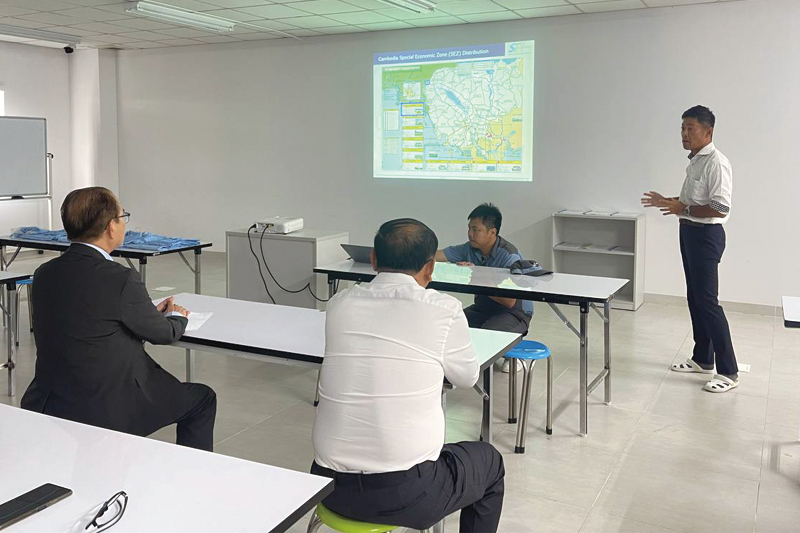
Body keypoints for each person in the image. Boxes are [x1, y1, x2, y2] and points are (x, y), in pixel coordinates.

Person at [311, 218, 505, 533]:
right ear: (430, 268)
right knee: (489, 462)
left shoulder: (339, 304)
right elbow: (468, 377)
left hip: (327, 486)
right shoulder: (444, 309)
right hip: (405, 495)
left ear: (373, 259)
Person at [21, 186, 218, 449]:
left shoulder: (45, 272)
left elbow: (88, 318)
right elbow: (163, 334)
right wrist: (176, 316)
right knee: (203, 399)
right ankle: (193, 472)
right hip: (107, 406)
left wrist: (144, 312)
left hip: (49, 400)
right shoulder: (120, 278)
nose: (124, 223)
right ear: (111, 227)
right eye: (123, 216)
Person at [641, 105, 739, 393]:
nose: (684, 133)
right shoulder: (696, 161)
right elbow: (694, 201)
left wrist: (682, 208)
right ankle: (703, 359)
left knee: (708, 302)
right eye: (682, 128)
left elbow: (720, 207)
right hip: (690, 233)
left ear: (708, 132)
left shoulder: (716, 163)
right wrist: (669, 202)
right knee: (695, 298)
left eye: (690, 128)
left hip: (706, 236)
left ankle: (729, 372)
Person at [435, 203, 534, 372]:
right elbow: (438, 255)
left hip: (513, 313)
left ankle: (512, 353)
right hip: (483, 308)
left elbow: (509, 301)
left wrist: (476, 275)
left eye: (475, 230)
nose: (470, 234)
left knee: (486, 335)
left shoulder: (509, 256)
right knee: (450, 325)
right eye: (469, 228)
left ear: (492, 232)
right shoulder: (469, 248)